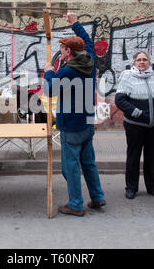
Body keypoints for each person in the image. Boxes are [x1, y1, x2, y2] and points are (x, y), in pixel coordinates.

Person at [43, 12, 106, 217]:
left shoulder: (68, 71)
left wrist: (49, 72)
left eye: (61, 49)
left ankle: (76, 204)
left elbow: (49, 90)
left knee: (70, 167)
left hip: (72, 124)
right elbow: (87, 40)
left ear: (68, 51)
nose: (59, 52)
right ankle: (97, 197)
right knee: (88, 162)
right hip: (87, 121)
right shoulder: (88, 59)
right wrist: (75, 23)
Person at [115, 51, 154, 200]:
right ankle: (131, 187)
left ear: (149, 62)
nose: (142, 62)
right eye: (139, 60)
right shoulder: (127, 76)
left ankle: (152, 187)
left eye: (145, 59)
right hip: (135, 125)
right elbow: (120, 100)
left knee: (152, 156)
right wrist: (136, 112)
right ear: (134, 62)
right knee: (133, 156)